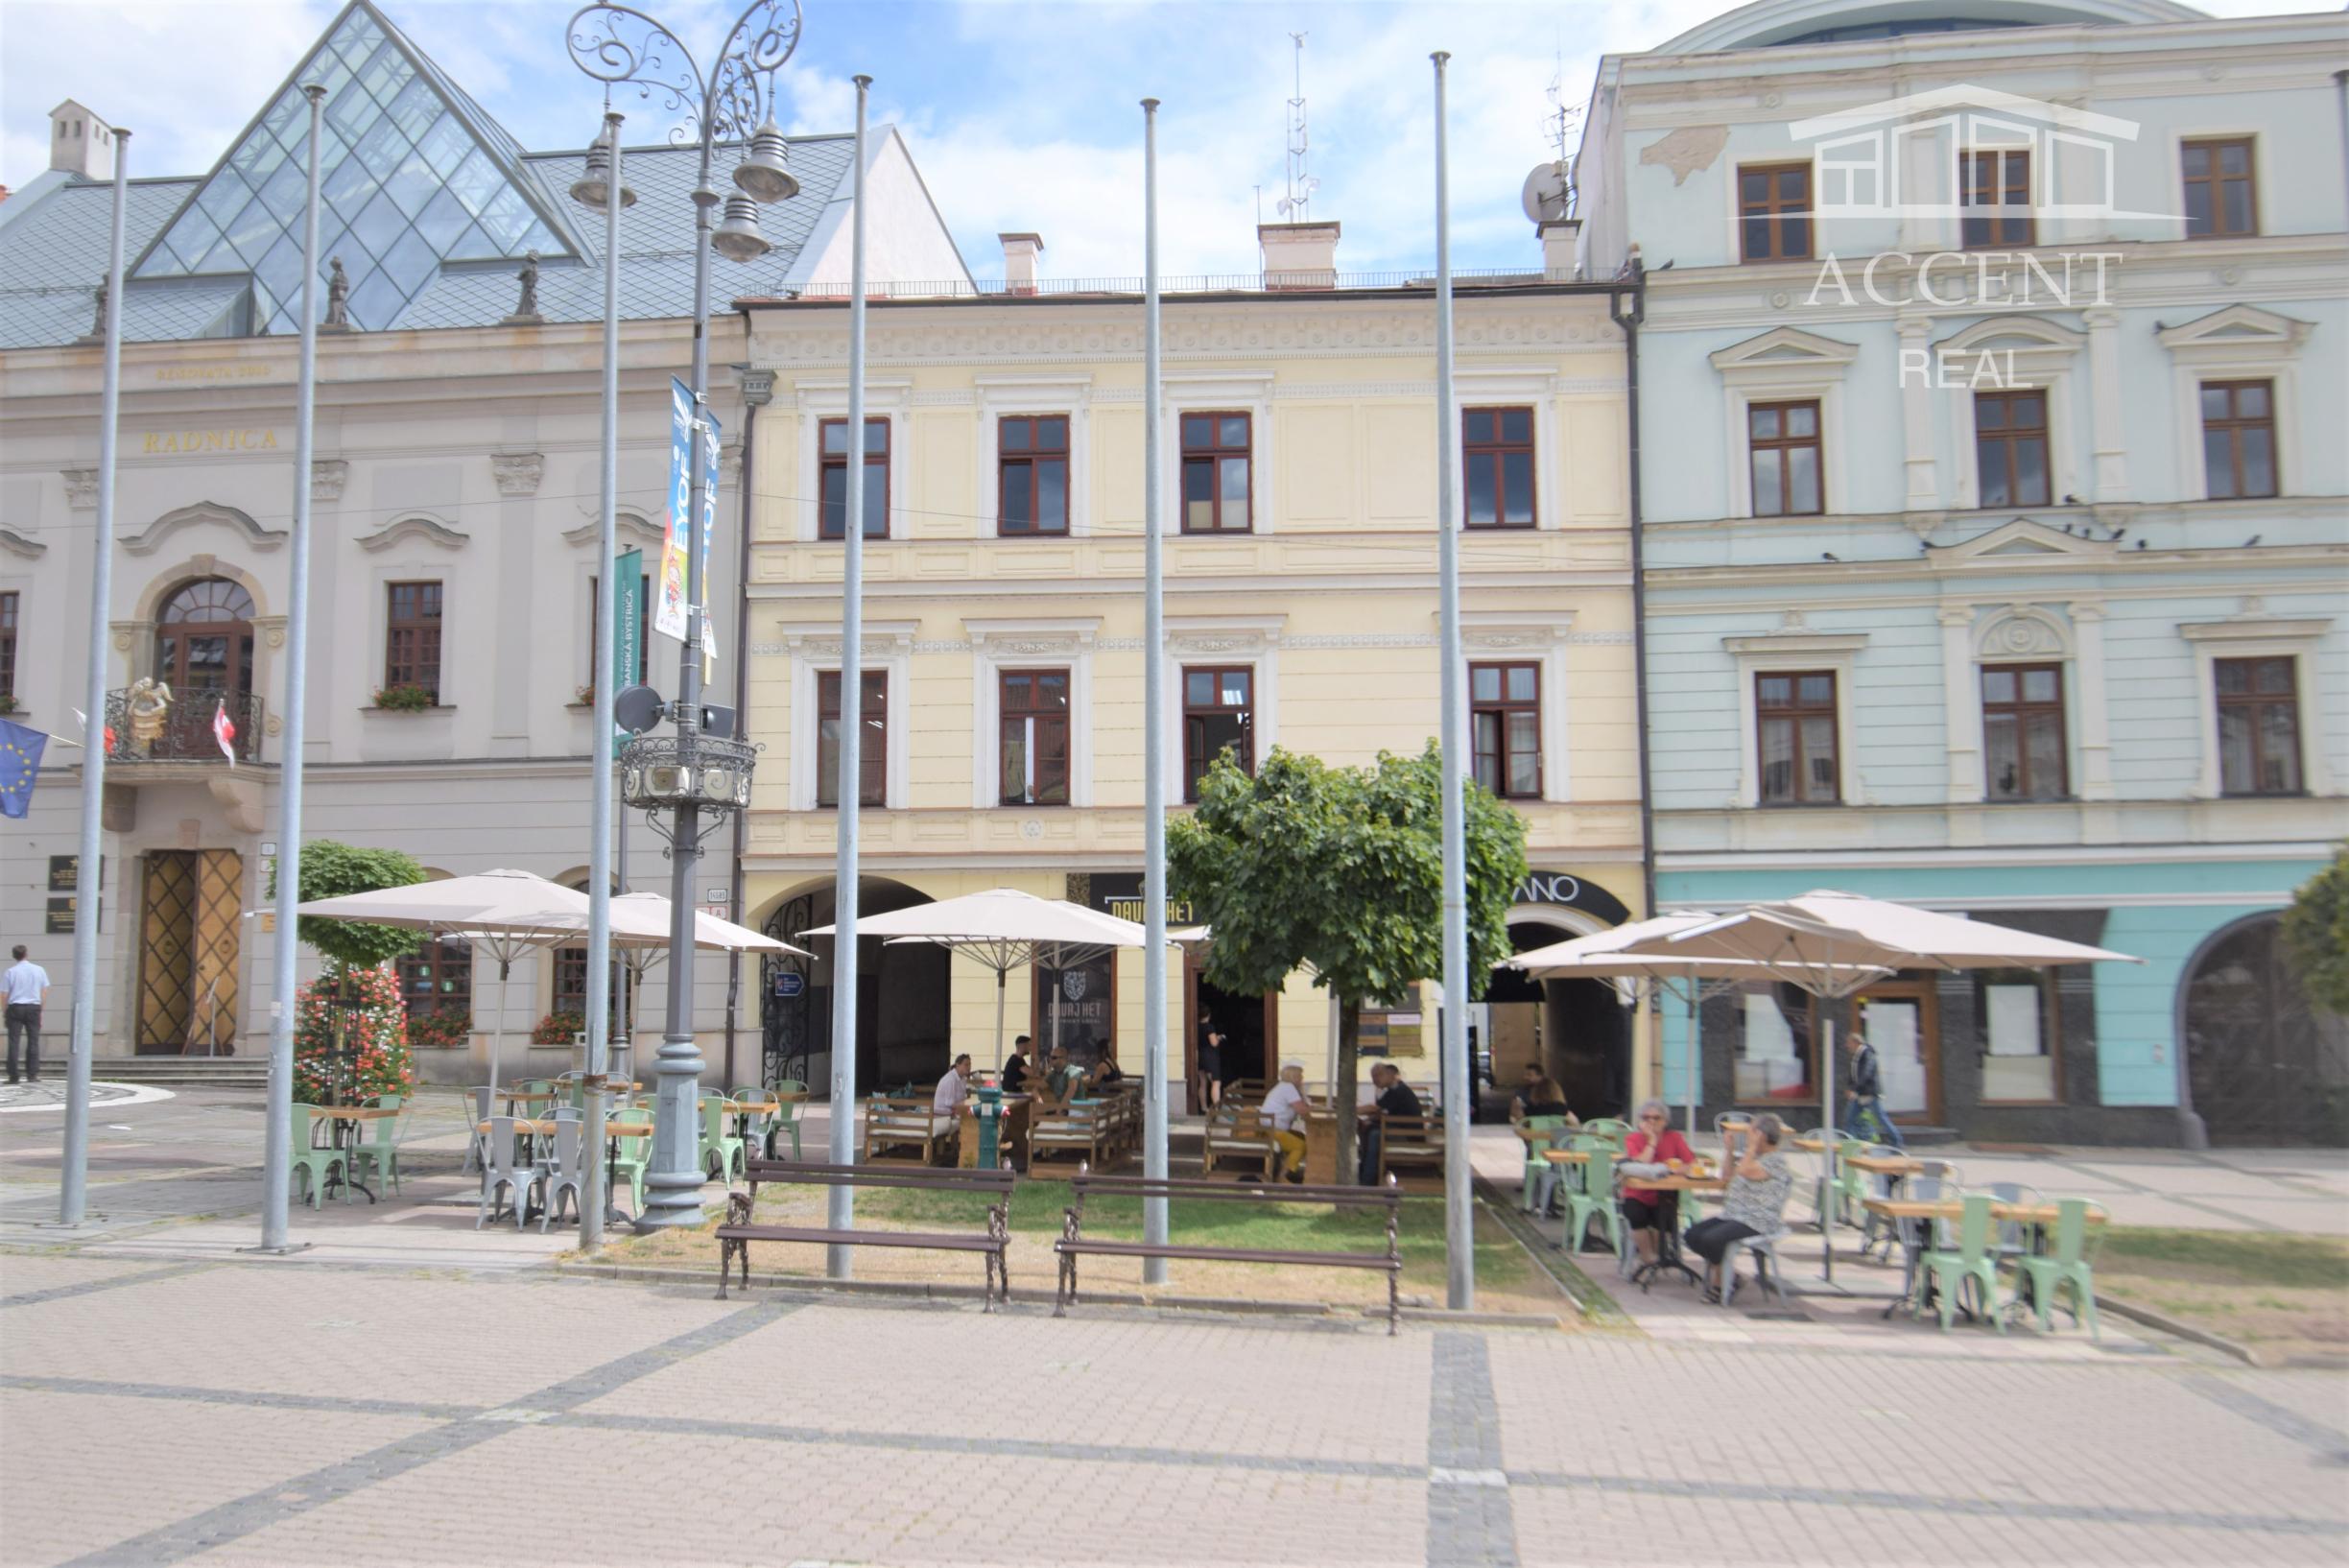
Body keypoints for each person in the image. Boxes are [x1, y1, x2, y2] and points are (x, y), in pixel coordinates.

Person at [1683, 1112, 1793, 1303]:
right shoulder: (1753, 1158)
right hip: (1734, 1215)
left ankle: (1721, 1283)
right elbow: (1727, 1177)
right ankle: (1731, 1277)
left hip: (1757, 1219)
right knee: (1692, 1235)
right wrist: (1729, 1151)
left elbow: (1744, 1171)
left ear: (1761, 1135)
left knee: (1711, 1239)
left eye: (1750, 1132)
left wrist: (1750, 1148)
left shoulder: (1775, 1161)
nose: (1747, 1136)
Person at [1620, 1098, 1696, 1269]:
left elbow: (1691, 1163)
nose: (1651, 1121)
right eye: (1646, 1118)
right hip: (1637, 1193)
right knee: (1636, 1215)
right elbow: (1641, 1164)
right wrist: (1652, 1142)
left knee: (1664, 1217)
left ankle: (1657, 1256)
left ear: (1665, 1121)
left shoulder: (1674, 1137)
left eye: (1656, 1118)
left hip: (1665, 1192)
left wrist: (1677, 1169)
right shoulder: (1633, 1138)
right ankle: (1647, 1257)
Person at [1357, 1061, 1422, 1186]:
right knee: (1368, 1129)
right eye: (1373, 1077)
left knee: (1375, 1135)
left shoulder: (1399, 1090)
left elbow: (1374, 1109)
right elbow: (1382, 1112)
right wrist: (1368, 1120)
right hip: (1399, 1131)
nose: (1375, 1080)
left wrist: (1350, 1110)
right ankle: (1364, 1173)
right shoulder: (1392, 1090)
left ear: (1391, 1075)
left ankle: (1367, 1180)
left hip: (1409, 1136)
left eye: (1378, 1075)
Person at [1841, 1034, 1907, 1150]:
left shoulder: (1867, 1054)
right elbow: (1853, 1074)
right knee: (1849, 1119)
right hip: (1859, 1094)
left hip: (1869, 1093)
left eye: (1849, 1043)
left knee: (1881, 1118)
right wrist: (1850, 1087)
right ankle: (1851, 1146)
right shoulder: (1856, 1056)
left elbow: (1866, 1074)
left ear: (1856, 1042)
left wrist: (1854, 1088)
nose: (1847, 1046)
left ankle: (1897, 1141)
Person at [1259, 1062, 1310, 1181]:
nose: (1302, 1078)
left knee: (1303, 1138)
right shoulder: (1288, 1088)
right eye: (1300, 1076)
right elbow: (1302, 1110)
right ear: (1293, 1077)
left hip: (1272, 1128)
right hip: (1273, 1129)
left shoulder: (1285, 1087)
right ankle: (1284, 1176)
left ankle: (1287, 1169)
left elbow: (1303, 1106)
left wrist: (1302, 1092)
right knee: (1300, 1146)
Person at [5, 944, 47, 1086]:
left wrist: (5, 1011)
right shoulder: (39, 970)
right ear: (26, 954)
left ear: (14, 956)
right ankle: (32, 1074)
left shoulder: (10, 972)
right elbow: (44, 991)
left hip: (15, 1007)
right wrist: (41, 1010)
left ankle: (13, 1075)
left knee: (13, 1042)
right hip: (33, 1007)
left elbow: (4, 994)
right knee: (33, 1040)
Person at [1509, 1064, 1576, 1126]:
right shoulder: (1562, 1107)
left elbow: (1521, 1121)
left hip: (1536, 1133)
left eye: (1529, 1075)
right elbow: (1573, 1123)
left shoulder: (1531, 1108)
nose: (1525, 1077)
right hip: (1557, 1134)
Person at [933, 1053, 972, 1124]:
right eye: (966, 1065)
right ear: (957, 1065)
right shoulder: (950, 1079)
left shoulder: (963, 1078)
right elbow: (950, 1104)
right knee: (970, 1119)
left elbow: (962, 1099)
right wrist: (967, 1108)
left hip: (954, 1112)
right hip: (942, 1115)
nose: (969, 1067)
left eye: (970, 1064)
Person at [1196, 1026, 1225, 1110]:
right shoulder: (1209, 1027)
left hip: (1200, 1057)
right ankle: (1216, 1109)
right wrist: (1219, 1038)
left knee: (1203, 1083)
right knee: (1216, 1083)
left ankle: (1204, 1108)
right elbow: (1214, 1043)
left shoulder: (1197, 1027)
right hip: (1210, 1058)